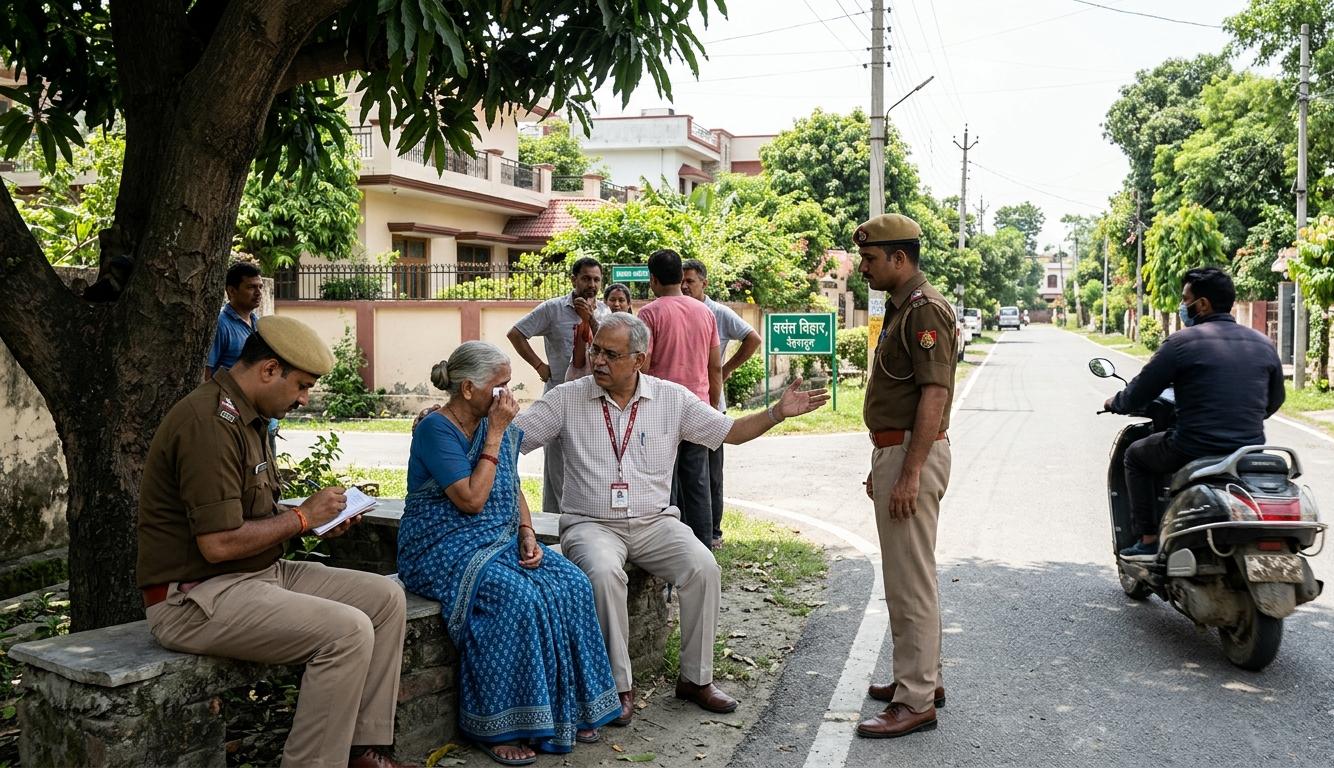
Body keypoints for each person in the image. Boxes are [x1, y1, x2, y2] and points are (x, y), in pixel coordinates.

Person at [514, 313, 829, 727]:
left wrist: (776, 413)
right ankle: (617, 688)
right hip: (591, 524)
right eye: (595, 351)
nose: (598, 361)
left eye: (611, 354)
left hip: (655, 523)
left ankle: (695, 680)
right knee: (605, 573)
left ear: (639, 360)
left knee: (703, 567)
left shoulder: (671, 399)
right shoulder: (566, 398)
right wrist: (462, 423)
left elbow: (729, 431)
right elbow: (511, 440)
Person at [138, 316, 411, 768]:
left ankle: (362, 750)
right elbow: (219, 544)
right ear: (268, 370)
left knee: (385, 598)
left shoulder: (250, 416)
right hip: (194, 597)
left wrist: (315, 520)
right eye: (302, 386)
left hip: (256, 575)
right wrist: (303, 517)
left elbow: (248, 520)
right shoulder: (209, 422)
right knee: (347, 631)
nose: (304, 400)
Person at [398, 342, 619, 766]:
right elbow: (471, 500)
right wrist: (496, 432)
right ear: (467, 389)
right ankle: (499, 724)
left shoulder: (492, 423)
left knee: (571, 582)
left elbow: (510, 485)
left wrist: (526, 531)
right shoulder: (436, 430)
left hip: (498, 536)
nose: (508, 395)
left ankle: (573, 707)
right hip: (440, 547)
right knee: (517, 598)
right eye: (499, 386)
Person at [853, 214, 957, 740]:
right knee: (912, 574)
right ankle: (920, 679)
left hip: (911, 455)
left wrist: (909, 472)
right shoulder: (903, 310)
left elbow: (934, 398)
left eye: (871, 259)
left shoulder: (924, 310)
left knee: (908, 580)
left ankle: (915, 700)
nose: (862, 268)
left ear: (900, 258)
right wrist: (888, 463)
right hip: (895, 453)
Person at [1104, 267, 1284, 558]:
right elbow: (1274, 401)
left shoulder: (1181, 343)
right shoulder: (1263, 343)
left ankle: (1148, 539)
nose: (1182, 305)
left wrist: (1116, 402)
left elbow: (1140, 391)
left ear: (1202, 304)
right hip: (1248, 451)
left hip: (1192, 447)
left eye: (1185, 298)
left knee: (1135, 456)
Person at [508, 258, 606, 518]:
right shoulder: (553, 309)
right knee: (557, 464)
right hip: (558, 397)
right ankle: (554, 521)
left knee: (589, 461)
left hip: (594, 398)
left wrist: (591, 318)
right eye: (586, 278)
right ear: (574, 279)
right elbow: (516, 333)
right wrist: (539, 365)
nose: (591, 285)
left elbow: (609, 345)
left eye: (596, 279)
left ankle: (586, 516)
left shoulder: (606, 313)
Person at [637, 249, 722, 547]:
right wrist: (713, 408)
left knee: (664, 488)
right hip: (698, 408)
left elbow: (642, 367)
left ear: (653, 279)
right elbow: (715, 366)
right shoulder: (705, 312)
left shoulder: (649, 313)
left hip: (661, 411)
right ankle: (702, 552)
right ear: (679, 277)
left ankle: (668, 563)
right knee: (697, 484)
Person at [681, 259, 762, 548]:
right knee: (685, 472)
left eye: (690, 280)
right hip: (682, 405)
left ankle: (713, 531)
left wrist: (726, 369)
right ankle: (685, 529)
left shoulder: (717, 312)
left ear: (704, 282)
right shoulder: (677, 309)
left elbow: (752, 339)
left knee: (711, 473)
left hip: (713, 403)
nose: (685, 286)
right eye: (681, 281)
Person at [207, 260, 280, 451]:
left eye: (260, 287)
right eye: (251, 287)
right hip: (233, 414)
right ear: (231, 291)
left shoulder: (258, 324)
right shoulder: (221, 325)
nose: (258, 293)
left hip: (261, 412)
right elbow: (207, 373)